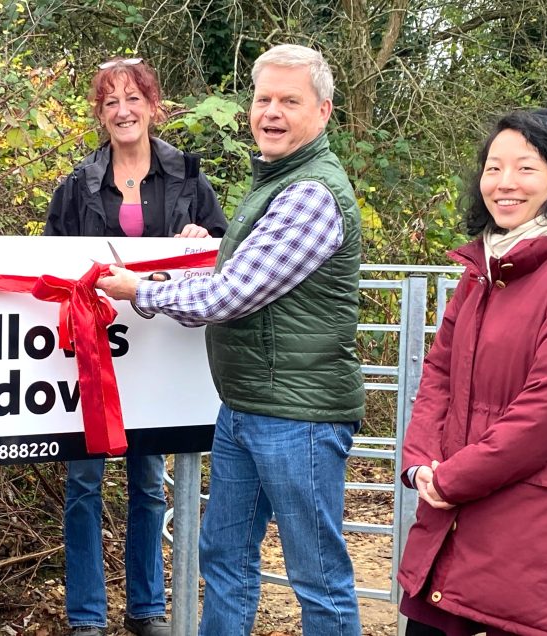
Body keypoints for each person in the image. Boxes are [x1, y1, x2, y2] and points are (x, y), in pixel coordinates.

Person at [97, 44, 363, 635]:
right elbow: (226, 278)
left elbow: (228, 296)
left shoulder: (310, 195)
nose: (271, 111)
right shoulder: (274, 183)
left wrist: (141, 289)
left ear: (322, 112)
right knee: (224, 558)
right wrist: (166, 278)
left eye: (289, 101)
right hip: (246, 406)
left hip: (300, 416)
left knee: (317, 579)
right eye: (263, 98)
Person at [44, 57, 227, 636]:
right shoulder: (75, 183)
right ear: (99, 114)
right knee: (82, 485)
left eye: (133, 98)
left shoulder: (189, 177)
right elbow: (46, 261)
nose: (122, 110)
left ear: (153, 105)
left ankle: (147, 611)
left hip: (158, 352)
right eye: (109, 101)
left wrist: (204, 237)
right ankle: (86, 618)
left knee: (149, 486)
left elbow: (226, 256)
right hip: (90, 349)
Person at [397, 109, 547, 635]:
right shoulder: (481, 273)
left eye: (525, 168)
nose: (505, 183)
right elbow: (437, 374)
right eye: (493, 167)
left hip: (531, 535)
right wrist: (420, 465)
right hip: (453, 517)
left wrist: (451, 479)